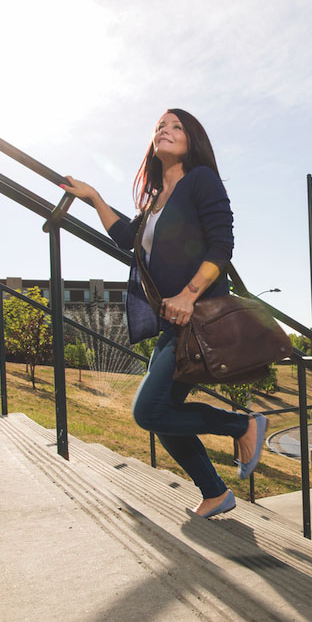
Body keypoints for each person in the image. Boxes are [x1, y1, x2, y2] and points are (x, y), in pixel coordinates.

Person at [62, 109, 266, 518]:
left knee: (148, 411)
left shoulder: (200, 181)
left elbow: (221, 247)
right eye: (159, 127)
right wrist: (95, 198)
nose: (165, 131)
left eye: (176, 127)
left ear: (192, 140)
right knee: (161, 413)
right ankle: (215, 492)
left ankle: (242, 425)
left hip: (196, 314)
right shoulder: (156, 199)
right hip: (172, 323)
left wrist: (189, 294)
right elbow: (127, 238)